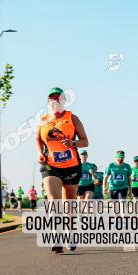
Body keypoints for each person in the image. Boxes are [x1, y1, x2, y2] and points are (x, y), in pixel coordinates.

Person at [35, 86, 90, 253]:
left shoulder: (72, 118)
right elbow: (38, 140)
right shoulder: (44, 120)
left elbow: (85, 141)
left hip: (71, 166)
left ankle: (70, 233)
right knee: (54, 201)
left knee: (69, 206)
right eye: (51, 98)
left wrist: (72, 143)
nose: (54, 101)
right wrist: (40, 154)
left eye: (57, 98)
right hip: (51, 165)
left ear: (63, 100)